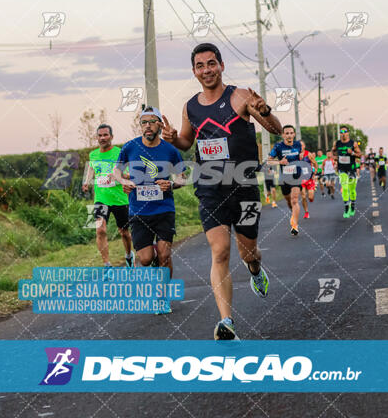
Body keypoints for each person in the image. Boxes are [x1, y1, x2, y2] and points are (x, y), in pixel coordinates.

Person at [161, 43, 282, 340]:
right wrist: (174, 138)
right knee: (220, 251)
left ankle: (255, 271)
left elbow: (275, 129)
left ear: (221, 65)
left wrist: (265, 111)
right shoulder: (190, 106)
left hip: (244, 187)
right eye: (200, 66)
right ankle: (226, 322)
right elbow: (187, 143)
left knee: (249, 253)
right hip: (210, 188)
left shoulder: (239, 96)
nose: (207, 70)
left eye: (211, 63)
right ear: (194, 71)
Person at [114, 107, 186, 292]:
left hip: (164, 209)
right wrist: (123, 181)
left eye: (152, 122)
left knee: (165, 255)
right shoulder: (130, 147)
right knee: (145, 259)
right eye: (144, 122)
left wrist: (171, 184)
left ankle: (162, 295)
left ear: (160, 125)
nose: (148, 126)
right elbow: (116, 171)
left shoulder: (170, 150)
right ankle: (154, 260)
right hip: (139, 211)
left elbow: (182, 177)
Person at [82, 124, 134, 274]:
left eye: (105, 135)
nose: (102, 138)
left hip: (120, 199)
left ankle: (129, 255)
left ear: (111, 136)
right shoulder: (93, 155)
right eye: (100, 135)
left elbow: (130, 174)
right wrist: (86, 181)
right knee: (99, 229)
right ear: (97, 137)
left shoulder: (120, 153)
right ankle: (107, 265)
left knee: (124, 232)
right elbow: (92, 168)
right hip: (100, 198)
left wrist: (118, 175)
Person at [268, 125, 308, 235]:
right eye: (287, 133)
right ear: (283, 135)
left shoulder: (298, 145)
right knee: (289, 200)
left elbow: (301, 155)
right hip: (284, 177)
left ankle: (294, 225)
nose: (289, 135)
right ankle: (293, 213)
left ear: (294, 134)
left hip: (296, 176)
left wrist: (301, 158)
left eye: (291, 133)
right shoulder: (278, 147)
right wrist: (279, 162)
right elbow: (269, 161)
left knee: (295, 199)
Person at [332, 126, 361, 218]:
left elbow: (360, 155)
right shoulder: (337, 143)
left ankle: (352, 206)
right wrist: (334, 157)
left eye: (345, 131)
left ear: (348, 133)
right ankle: (346, 208)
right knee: (344, 188)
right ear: (340, 133)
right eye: (341, 131)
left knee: (352, 189)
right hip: (342, 169)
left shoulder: (353, 143)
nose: (343, 133)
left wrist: (352, 153)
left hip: (351, 168)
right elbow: (333, 152)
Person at [300, 141, 318, 219]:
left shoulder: (308, 154)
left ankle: (311, 195)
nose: (300, 146)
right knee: (303, 196)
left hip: (309, 178)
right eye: (299, 145)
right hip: (300, 179)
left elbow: (315, 164)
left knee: (310, 197)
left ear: (304, 146)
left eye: (302, 145)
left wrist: (314, 173)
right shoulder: (295, 155)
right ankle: (306, 212)